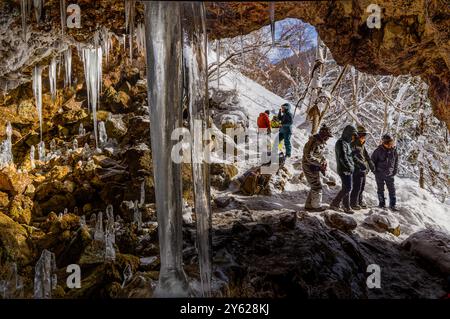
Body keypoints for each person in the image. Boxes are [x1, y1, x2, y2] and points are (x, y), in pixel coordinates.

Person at [302, 124, 333, 211]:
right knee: (317, 186)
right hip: (309, 166)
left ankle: (309, 205)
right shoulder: (313, 142)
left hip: (314, 166)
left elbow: (318, 155)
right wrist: (320, 163)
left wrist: (323, 160)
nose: (328, 139)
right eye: (327, 136)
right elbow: (308, 156)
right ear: (323, 135)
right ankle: (316, 206)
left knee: (315, 185)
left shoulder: (320, 142)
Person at [330, 125, 358, 214]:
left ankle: (346, 206)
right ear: (348, 134)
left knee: (346, 187)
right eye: (353, 135)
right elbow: (342, 157)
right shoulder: (341, 143)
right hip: (344, 169)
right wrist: (349, 167)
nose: (353, 137)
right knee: (348, 188)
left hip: (347, 169)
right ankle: (335, 203)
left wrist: (353, 153)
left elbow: (347, 156)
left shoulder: (346, 143)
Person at [371, 134, 399, 211]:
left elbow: (396, 162)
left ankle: (392, 205)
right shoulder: (378, 151)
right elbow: (372, 161)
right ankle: (381, 204)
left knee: (392, 190)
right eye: (389, 143)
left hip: (390, 174)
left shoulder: (394, 151)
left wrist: (394, 171)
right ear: (384, 143)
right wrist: (375, 171)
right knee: (380, 189)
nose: (390, 145)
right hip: (379, 173)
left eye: (391, 143)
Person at [350, 126, 375, 210]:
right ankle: (353, 203)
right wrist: (360, 164)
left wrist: (371, 165)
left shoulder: (362, 144)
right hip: (356, 169)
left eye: (365, 135)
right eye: (363, 135)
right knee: (357, 186)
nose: (364, 136)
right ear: (358, 135)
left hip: (363, 170)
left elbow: (366, 156)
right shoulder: (353, 144)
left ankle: (359, 201)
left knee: (362, 186)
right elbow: (352, 156)